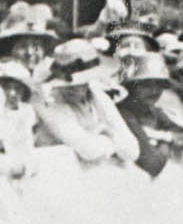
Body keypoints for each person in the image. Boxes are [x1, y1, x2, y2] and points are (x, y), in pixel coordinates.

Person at [34, 39, 140, 167]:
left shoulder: (97, 95)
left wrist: (108, 135)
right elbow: (89, 150)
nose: (73, 88)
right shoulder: (50, 103)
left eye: (80, 83)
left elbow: (133, 150)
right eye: (67, 84)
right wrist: (107, 134)